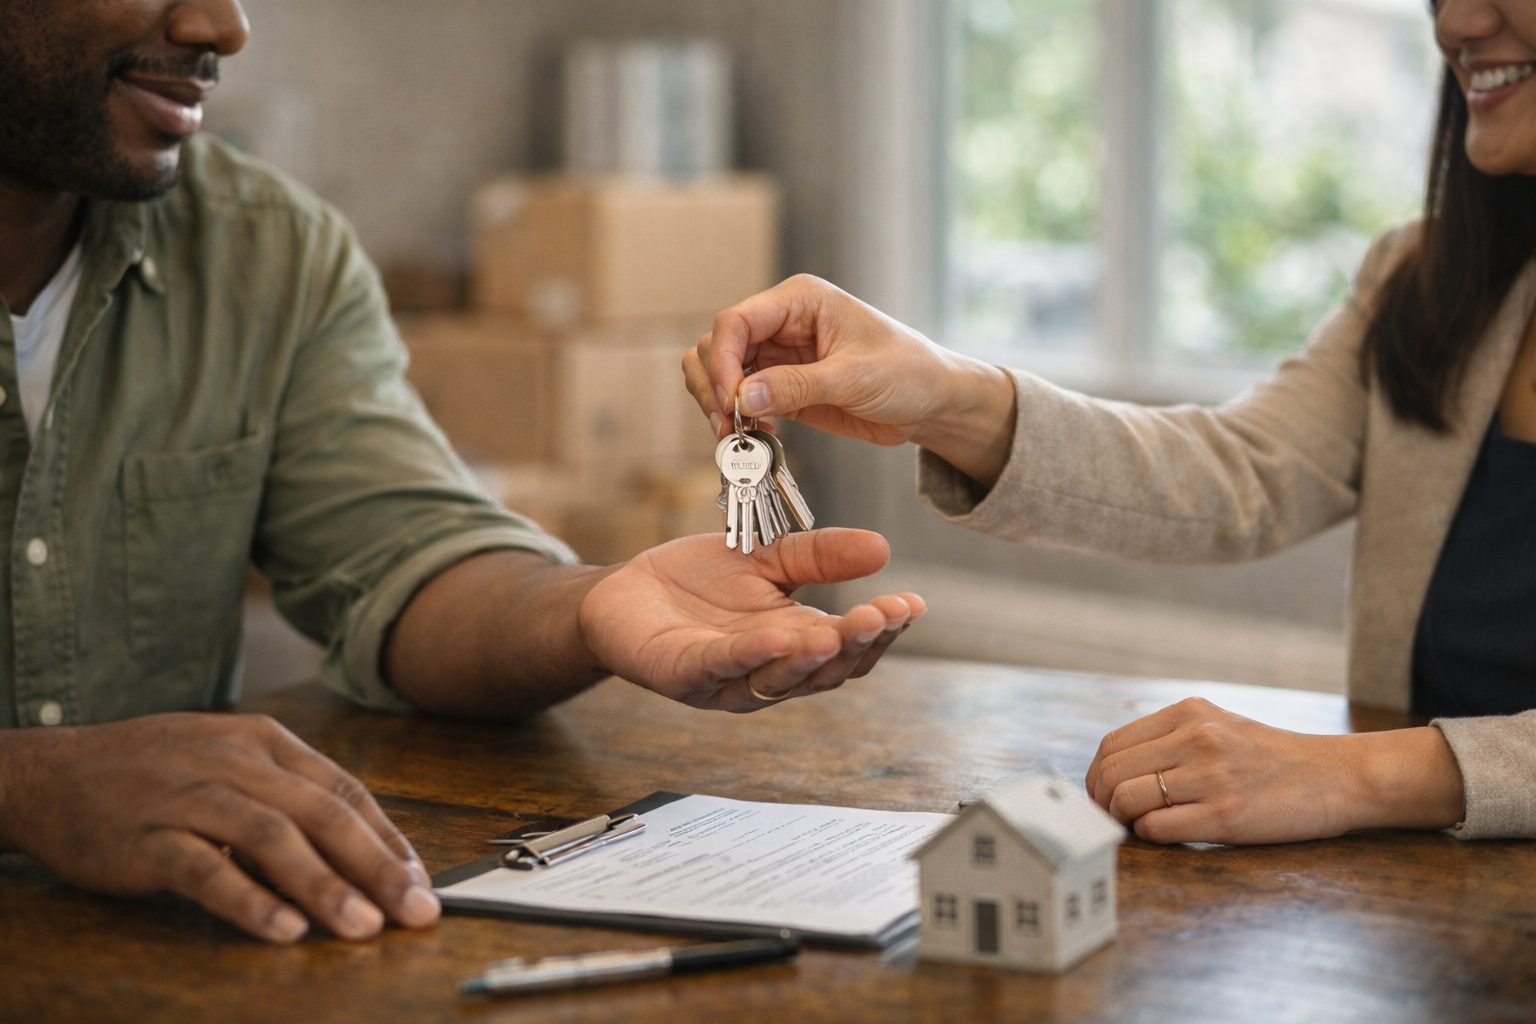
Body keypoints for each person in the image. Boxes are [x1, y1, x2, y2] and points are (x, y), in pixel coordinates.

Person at [0, 0, 924, 946]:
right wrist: (26, 785)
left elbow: (407, 561)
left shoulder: (268, 251)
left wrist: (590, 608)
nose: (224, 27)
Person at [687, 0, 1536, 847]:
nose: (1455, 20)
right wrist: (943, 392)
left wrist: (1357, 776)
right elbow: (1232, 476)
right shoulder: (1428, 282)